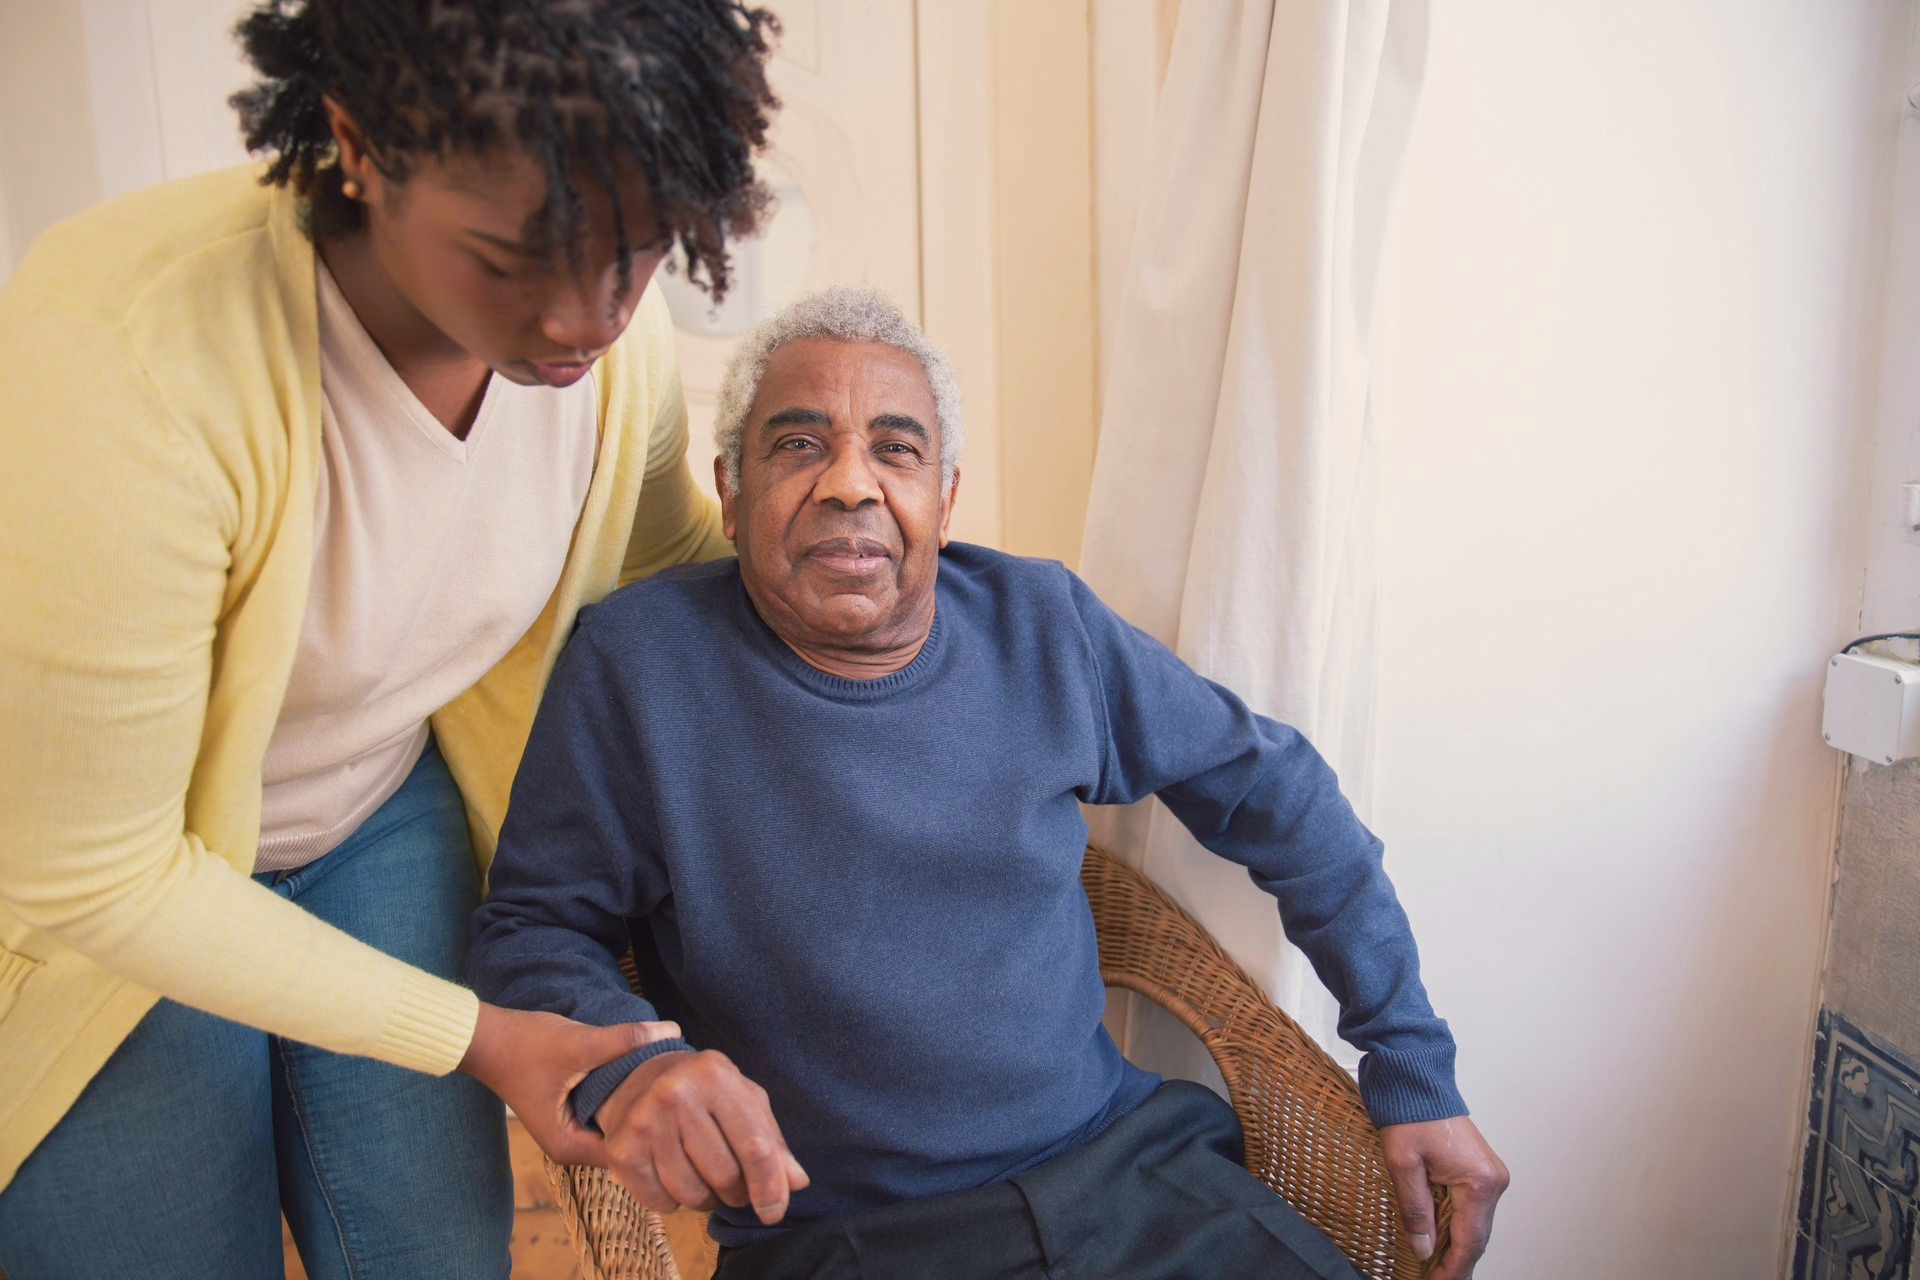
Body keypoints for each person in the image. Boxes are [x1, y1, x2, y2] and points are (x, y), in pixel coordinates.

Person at [469, 286, 1511, 1280]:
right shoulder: (639, 664)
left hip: (1134, 1181)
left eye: (896, 448)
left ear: (945, 497)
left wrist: (1408, 1060)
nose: (848, 482)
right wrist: (632, 1063)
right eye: (797, 445)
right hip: (846, 1238)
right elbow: (529, 927)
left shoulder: (1041, 623)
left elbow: (1277, 793)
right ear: (732, 494)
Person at [0, 3, 782, 1277]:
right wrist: (474, 1033)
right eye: (509, 258)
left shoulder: (608, 346)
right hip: (96, 895)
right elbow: (93, 869)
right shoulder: (124, 350)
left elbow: (663, 558)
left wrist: (934, 608)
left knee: (433, 1250)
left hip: (370, 804)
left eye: (636, 256)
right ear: (360, 143)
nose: (585, 317)